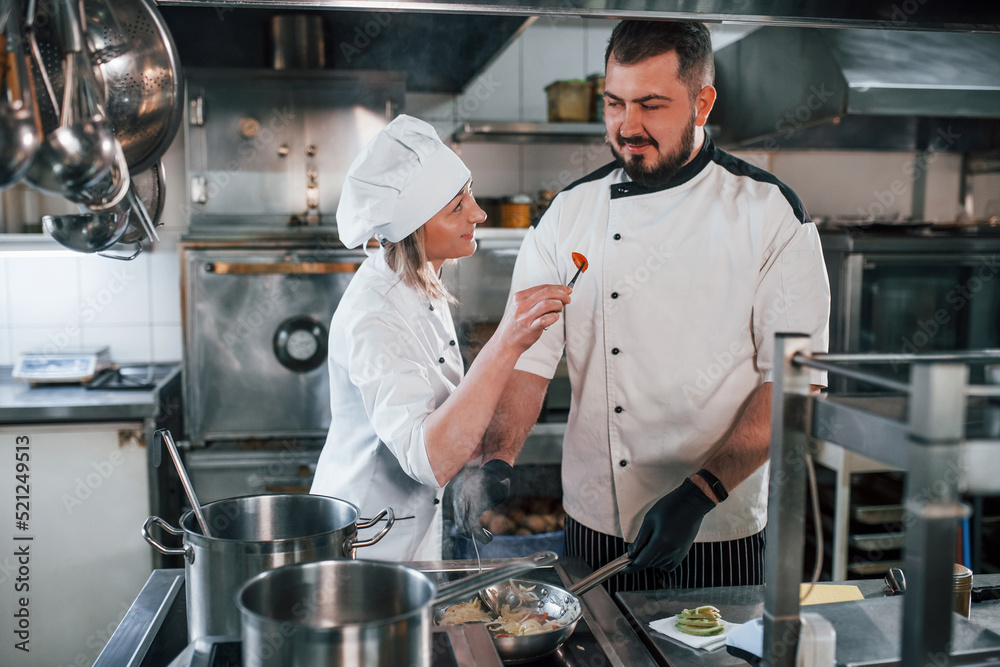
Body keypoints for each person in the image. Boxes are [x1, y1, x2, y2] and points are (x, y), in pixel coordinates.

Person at [461, 21, 830, 594]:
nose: (628, 127)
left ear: (702, 103)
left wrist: (700, 494)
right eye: (615, 104)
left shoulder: (769, 213)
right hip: (594, 520)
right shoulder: (568, 214)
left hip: (714, 524)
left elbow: (794, 384)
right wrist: (497, 459)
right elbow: (528, 359)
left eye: (651, 106)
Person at [310, 115, 572, 561]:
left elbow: (443, 412)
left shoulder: (420, 281)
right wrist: (508, 339)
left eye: (469, 193)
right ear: (415, 227)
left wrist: (484, 464)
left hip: (409, 538)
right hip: (363, 549)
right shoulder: (373, 317)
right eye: (457, 206)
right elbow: (429, 460)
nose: (478, 213)